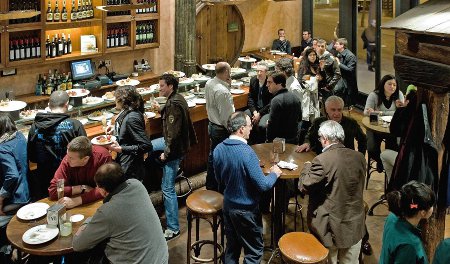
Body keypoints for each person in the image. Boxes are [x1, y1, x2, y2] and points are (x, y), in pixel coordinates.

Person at [213, 111, 282, 263]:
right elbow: (263, 185)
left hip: (228, 205)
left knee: (232, 248)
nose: (251, 129)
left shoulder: (218, 149)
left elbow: (219, 180)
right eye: (250, 126)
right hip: (246, 210)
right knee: (254, 252)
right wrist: (274, 174)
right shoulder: (247, 152)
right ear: (241, 129)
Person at [72, 162, 168, 264]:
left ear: (103, 191)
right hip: (161, 258)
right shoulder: (137, 184)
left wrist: (86, 223)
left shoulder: (107, 212)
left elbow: (78, 245)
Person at [299, 120, 366, 264]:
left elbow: (305, 186)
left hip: (330, 228)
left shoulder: (322, 160)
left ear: (324, 139)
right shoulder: (360, 157)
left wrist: (306, 168)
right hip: (354, 225)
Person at [150, 74, 197, 241]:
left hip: (175, 149)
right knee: (148, 147)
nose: (159, 88)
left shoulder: (173, 105)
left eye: (162, 86)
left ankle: (173, 228)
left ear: (170, 86)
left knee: (167, 188)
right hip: (181, 145)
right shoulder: (177, 98)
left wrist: (166, 155)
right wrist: (161, 109)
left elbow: (173, 135)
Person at [28, 91, 87, 200]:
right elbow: (86, 152)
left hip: (45, 179)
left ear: (49, 105)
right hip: (71, 177)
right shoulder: (75, 125)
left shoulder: (34, 126)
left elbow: (32, 157)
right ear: (67, 105)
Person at [379, 180, 435, 264]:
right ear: (423, 212)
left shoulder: (392, 216)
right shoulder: (409, 245)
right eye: (431, 205)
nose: (433, 207)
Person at [48, 136, 112, 209]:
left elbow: (105, 189)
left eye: (71, 158)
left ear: (85, 158)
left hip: (100, 204)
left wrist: (76, 201)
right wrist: (81, 188)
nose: (67, 159)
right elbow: (53, 191)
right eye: (67, 155)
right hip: (82, 202)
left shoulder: (103, 156)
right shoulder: (67, 159)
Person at [106, 86, 152, 181]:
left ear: (121, 100)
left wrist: (121, 149)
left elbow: (146, 146)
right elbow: (127, 131)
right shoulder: (127, 111)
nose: (114, 101)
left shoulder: (132, 118)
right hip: (125, 162)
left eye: (116, 98)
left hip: (131, 167)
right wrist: (115, 128)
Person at [296, 96, 366, 155]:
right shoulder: (318, 122)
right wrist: (307, 143)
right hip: (322, 158)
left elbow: (362, 139)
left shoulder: (351, 123)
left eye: (339, 110)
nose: (337, 113)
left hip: (345, 159)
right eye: (333, 110)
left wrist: (360, 155)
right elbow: (309, 137)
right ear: (326, 110)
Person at [0, 114, 30, 249]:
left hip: (16, 198)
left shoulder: (2, 148)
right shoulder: (20, 137)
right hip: (28, 191)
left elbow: (11, 175)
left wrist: (0, 197)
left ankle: (7, 250)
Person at [364, 74, 405, 172]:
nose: (392, 87)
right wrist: (370, 112)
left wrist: (381, 112)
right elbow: (366, 112)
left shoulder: (399, 95)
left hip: (391, 128)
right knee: (372, 147)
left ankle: (387, 163)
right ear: (383, 84)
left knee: (394, 145)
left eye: (394, 85)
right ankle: (380, 161)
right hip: (375, 126)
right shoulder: (374, 95)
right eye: (389, 84)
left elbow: (402, 112)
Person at [205, 61, 235, 191]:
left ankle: (210, 186)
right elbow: (226, 117)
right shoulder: (223, 91)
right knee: (222, 160)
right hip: (221, 129)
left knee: (213, 157)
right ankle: (219, 189)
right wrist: (233, 131)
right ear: (227, 72)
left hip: (211, 124)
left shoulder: (209, 83)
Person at [266, 71, 301, 144]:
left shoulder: (276, 101)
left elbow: (272, 125)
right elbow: (300, 118)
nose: (267, 85)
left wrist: (268, 142)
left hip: (279, 142)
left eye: (270, 82)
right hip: (294, 139)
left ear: (279, 83)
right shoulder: (295, 97)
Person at [245, 62, 273, 144]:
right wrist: (254, 111)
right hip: (255, 109)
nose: (259, 73)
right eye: (257, 71)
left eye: (261, 71)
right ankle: (249, 142)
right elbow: (250, 98)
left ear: (266, 72)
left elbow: (270, 103)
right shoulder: (253, 80)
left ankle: (261, 144)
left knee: (262, 126)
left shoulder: (270, 82)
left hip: (266, 110)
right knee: (244, 118)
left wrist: (259, 114)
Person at [297, 48, 320, 144]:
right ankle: (300, 142)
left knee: (315, 121)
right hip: (308, 97)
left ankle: (313, 142)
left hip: (316, 96)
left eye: (314, 55)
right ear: (307, 56)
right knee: (306, 122)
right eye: (310, 55)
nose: (313, 57)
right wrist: (315, 79)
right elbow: (302, 80)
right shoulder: (304, 67)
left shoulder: (317, 65)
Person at [334, 38, 358, 106]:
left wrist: (339, 64)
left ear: (342, 45)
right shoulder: (339, 53)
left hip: (347, 83)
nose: (334, 45)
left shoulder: (351, 56)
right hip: (340, 80)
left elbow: (350, 70)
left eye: (336, 44)